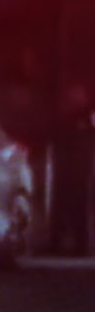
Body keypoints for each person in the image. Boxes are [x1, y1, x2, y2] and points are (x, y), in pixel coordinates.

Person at [50, 80, 95, 255]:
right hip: (68, 167)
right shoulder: (67, 119)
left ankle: (80, 244)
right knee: (64, 203)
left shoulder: (86, 118)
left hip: (81, 169)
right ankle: (59, 241)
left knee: (79, 204)